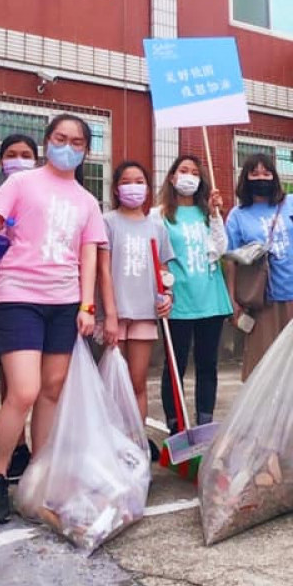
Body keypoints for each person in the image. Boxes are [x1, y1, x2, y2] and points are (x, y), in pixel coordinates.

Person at [0, 114, 107, 524]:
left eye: (77, 141)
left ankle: (39, 480)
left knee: (52, 390)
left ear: (86, 151)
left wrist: (86, 306)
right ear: (47, 142)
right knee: (23, 391)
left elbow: (89, 253)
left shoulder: (87, 201)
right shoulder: (21, 183)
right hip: (18, 296)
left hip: (64, 301)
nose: (68, 146)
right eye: (60, 138)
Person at [99, 160, 174, 457]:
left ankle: (136, 444)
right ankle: (110, 445)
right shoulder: (107, 222)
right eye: (127, 181)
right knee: (111, 385)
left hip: (145, 312)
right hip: (113, 315)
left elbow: (165, 269)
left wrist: (168, 295)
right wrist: (107, 314)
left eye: (140, 180)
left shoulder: (156, 225)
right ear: (117, 189)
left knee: (137, 381)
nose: (134, 186)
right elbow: (102, 270)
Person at [157, 154, 231, 433]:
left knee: (207, 365)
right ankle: (176, 426)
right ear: (172, 177)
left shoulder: (206, 212)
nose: (188, 176)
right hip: (177, 301)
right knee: (174, 366)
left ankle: (204, 423)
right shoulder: (160, 214)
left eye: (194, 172)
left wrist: (215, 215)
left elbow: (221, 248)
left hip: (210, 299)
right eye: (183, 170)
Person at [0, 134, 39, 483]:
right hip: (6, 302)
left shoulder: (44, 200)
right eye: (10, 154)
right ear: (0, 161)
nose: (18, 160)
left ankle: (37, 453)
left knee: (41, 386)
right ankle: (12, 451)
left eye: (25, 154)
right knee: (15, 384)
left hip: (48, 301)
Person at [225, 152, 293, 380]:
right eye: (254, 173)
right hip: (262, 298)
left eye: (267, 173)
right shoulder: (237, 216)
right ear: (245, 178)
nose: (261, 178)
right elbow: (231, 260)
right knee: (263, 366)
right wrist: (232, 300)